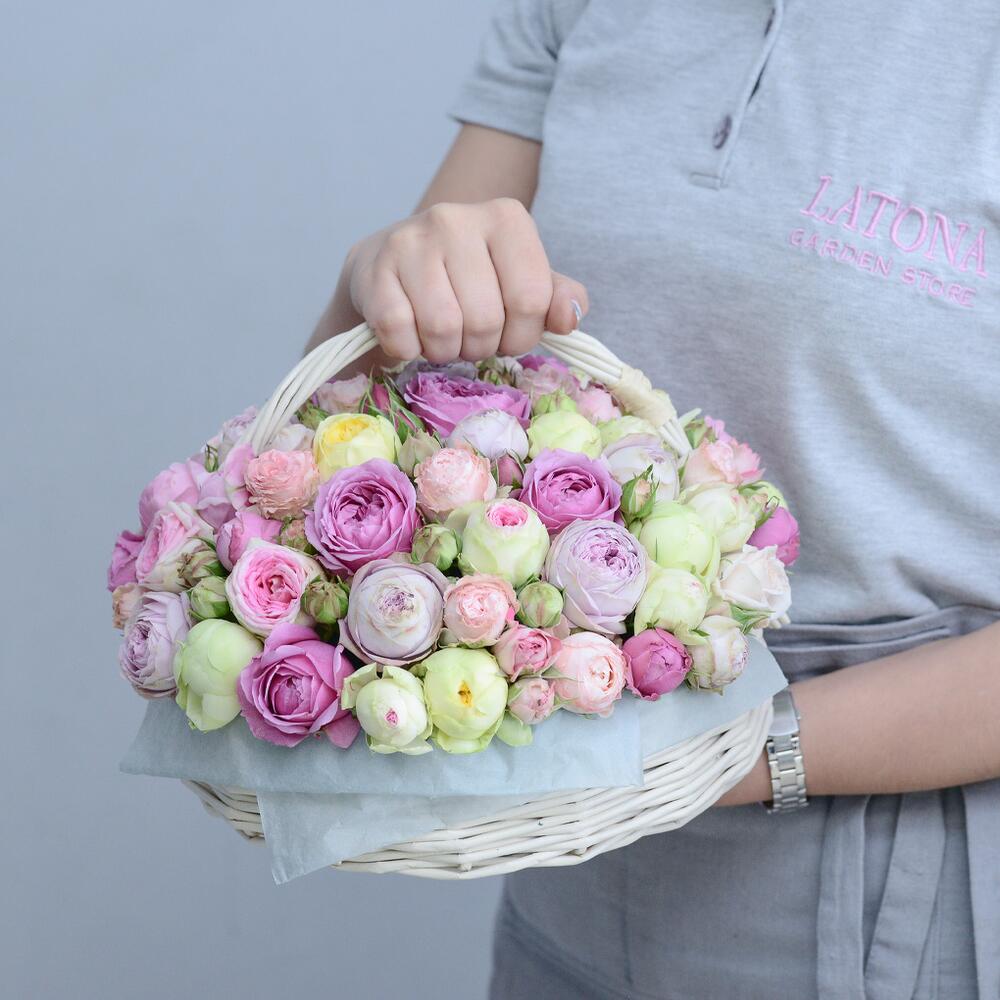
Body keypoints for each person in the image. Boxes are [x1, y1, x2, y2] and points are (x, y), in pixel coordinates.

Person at [307, 2, 1000, 996]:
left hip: (879, 874)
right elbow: (365, 429)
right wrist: (375, 279)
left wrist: (720, 752)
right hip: (578, 835)